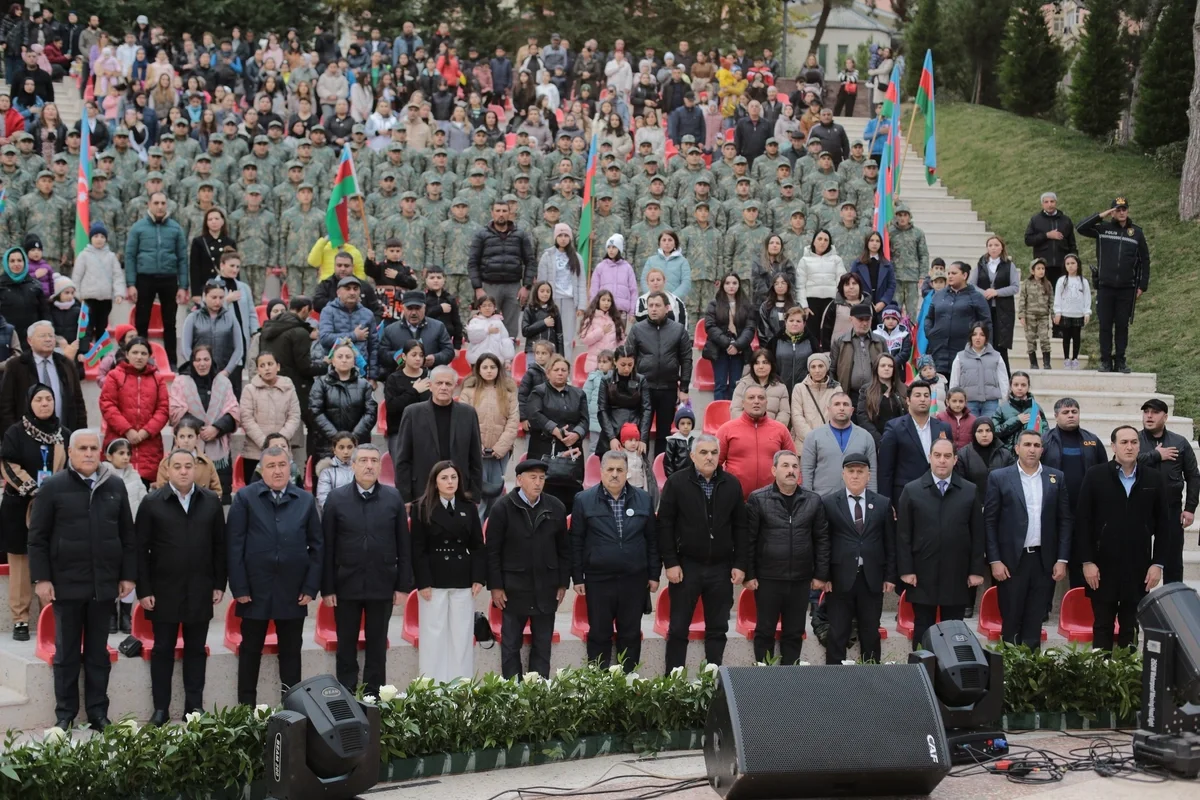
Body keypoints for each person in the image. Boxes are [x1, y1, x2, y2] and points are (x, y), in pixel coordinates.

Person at [28, 429, 135, 730]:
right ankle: (65, 714)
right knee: (67, 654)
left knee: (99, 654)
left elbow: (128, 536)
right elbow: (37, 539)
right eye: (82, 448)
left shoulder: (114, 485)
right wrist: (42, 579)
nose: (88, 453)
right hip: (66, 583)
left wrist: (127, 576)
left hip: (103, 586)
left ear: (100, 452)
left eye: (93, 448)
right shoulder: (52, 487)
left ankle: (98, 713)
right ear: (71, 453)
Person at [136, 448, 226, 724]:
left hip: (200, 589)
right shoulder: (152, 502)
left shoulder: (210, 501)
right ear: (168, 469)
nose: (184, 471)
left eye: (189, 466)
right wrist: (144, 590)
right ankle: (161, 708)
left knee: (196, 649)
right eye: (178, 466)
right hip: (163, 591)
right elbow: (140, 550)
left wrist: (219, 583)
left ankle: (193, 707)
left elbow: (219, 547)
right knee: (163, 649)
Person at [227, 446, 322, 706]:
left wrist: (311, 587)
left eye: (282, 465)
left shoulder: (304, 500)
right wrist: (240, 587)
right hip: (254, 590)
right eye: (271, 466)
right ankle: (245, 710)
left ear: (290, 467)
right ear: (261, 469)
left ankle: (292, 708)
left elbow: (317, 547)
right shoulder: (245, 498)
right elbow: (234, 545)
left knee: (291, 653)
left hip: (293, 591)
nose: (277, 471)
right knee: (250, 652)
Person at [320, 444, 409, 696]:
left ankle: (374, 696)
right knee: (346, 646)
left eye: (374, 461)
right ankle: (346, 697)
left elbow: (404, 544)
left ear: (380, 467)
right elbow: (327, 546)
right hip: (345, 585)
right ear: (353, 465)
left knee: (377, 646)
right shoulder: (336, 499)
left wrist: (403, 585)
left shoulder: (393, 498)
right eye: (364, 461)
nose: (369, 465)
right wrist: (327, 587)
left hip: (382, 585)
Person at [654, 433, 745, 670]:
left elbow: (741, 528)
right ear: (692, 455)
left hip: (721, 568)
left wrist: (740, 563)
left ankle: (712, 682)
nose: (709, 457)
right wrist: (670, 562)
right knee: (678, 628)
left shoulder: (732, 484)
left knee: (718, 629)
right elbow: (665, 525)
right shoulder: (676, 483)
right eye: (703, 452)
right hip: (686, 567)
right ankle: (674, 686)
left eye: (714, 453)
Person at [1076, 426, 1169, 651]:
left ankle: (1125, 679)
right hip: (1101, 566)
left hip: (1138, 566)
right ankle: (1101, 677)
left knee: (1131, 627)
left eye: (1134, 442)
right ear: (1113, 446)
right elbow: (1082, 522)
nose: (1130, 447)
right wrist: (1087, 562)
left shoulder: (1154, 478)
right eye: (1124, 442)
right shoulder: (1095, 475)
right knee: (1102, 625)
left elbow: (1166, 526)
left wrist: (1157, 564)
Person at [571, 449, 661, 670]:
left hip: (634, 579)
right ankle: (598, 687)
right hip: (598, 580)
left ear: (627, 472)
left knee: (630, 634)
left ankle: (628, 683)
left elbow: (652, 539)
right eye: (610, 469)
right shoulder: (583, 500)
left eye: (619, 470)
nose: (614, 474)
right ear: (600, 471)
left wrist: (654, 574)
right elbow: (576, 542)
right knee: (599, 634)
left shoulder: (643, 499)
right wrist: (577, 576)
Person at [983, 430, 1071, 649]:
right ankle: (1009, 676)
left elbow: (1065, 521)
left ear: (1042, 449)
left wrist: (1062, 559)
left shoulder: (1056, 477)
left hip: (1044, 561)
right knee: (1011, 621)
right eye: (1027, 444)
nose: (1032, 449)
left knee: (1035, 622)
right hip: (1012, 562)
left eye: (1037, 445)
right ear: (1017, 449)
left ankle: (1032, 675)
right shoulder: (1000, 477)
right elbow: (990, 522)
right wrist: (994, 560)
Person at [897, 438, 985, 648]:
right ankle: (921, 674)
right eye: (937, 456)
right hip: (921, 574)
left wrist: (976, 570)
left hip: (957, 574)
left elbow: (978, 533)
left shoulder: (969, 491)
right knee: (923, 630)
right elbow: (903, 535)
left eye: (947, 456)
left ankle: (950, 679)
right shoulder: (912, 490)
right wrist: (906, 570)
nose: (942, 461)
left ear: (955, 460)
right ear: (930, 458)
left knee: (954, 632)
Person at [486, 459, 569, 679]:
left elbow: (564, 550)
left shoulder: (556, 507)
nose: (538, 483)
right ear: (520, 479)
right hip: (514, 589)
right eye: (533, 477)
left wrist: (562, 583)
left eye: (542, 478)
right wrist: (495, 586)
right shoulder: (502, 508)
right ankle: (512, 695)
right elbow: (492, 551)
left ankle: (538, 694)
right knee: (511, 646)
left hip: (546, 588)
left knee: (543, 647)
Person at [742, 449, 826, 664]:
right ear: (774, 470)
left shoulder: (813, 500)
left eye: (795, 466)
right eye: (786, 466)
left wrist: (821, 575)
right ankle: (764, 680)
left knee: (794, 633)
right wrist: (749, 574)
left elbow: (822, 540)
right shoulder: (758, 499)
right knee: (765, 631)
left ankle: (790, 682)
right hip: (768, 579)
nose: (791, 471)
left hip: (800, 579)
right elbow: (748, 540)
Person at [0, 384, 67, 642]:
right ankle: (20, 619)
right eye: (39, 399)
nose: (44, 404)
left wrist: (52, 492)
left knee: (50, 560)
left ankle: (47, 615)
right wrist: (34, 489)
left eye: (49, 399)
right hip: (19, 506)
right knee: (20, 563)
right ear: (30, 403)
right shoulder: (15, 433)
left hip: (54, 507)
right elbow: (8, 463)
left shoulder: (63, 434)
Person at [411, 460, 485, 682]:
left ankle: (461, 688)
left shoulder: (468, 507)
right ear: (435, 482)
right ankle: (431, 688)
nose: (450, 482)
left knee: (461, 636)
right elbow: (417, 548)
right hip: (434, 581)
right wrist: (422, 582)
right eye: (444, 478)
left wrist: (478, 577)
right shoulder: (421, 508)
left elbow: (477, 546)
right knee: (433, 637)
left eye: (454, 477)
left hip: (463, 579)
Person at [821, 451, 893, 663]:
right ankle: (835, 683)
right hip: (839, 579)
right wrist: (824, 575)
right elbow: (824, 542)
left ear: (868, 475)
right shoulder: (829, 503)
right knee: (837, 633)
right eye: (850, 471)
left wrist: (890, 576)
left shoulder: (882, 503)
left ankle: (871, 683)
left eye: (860, 472)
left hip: (871, 579)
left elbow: (890, 542)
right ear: (843, 474)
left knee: (870, 633)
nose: (855, 476)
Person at [1076, 197, 1149, 373]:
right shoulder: (1103, 229)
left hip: (1127, 288)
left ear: (1128, 211)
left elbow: (1145, 260)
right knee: (1105, 325)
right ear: (1112, 212)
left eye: (1124, 209)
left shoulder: (1136, 232)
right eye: (1117, 209)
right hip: (1105, 286)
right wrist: (1102, 215)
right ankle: (1106, 361)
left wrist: (1142, 285)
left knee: (1122, 325)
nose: (1121, 212)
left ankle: (1121, 360)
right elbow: (1080, 227)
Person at [395, 366, 484, 504]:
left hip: (460, 492)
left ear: (455, 386)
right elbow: (403, 459)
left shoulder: (468, 414)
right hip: (421, 492)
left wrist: (475, 496)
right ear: (430, 386)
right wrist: (405, 497)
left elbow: (476, 459)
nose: (443, 387)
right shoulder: (412, 413)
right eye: (439, 383)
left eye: (448, 384)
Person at [1138, 398, 1200, 586]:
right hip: (1140, 509)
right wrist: (1155, 455)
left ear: (1165, 416)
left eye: (1155, 412)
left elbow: (1193, 476)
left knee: (1173, 560)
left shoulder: (1179, 442)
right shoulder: (1135, 439)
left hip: (1170, 509)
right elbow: (1121, 462)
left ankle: (1174, 602)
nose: (1149, 416)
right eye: (1146, 411)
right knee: (1138, 558)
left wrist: (1189, 508)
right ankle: (1138, 604)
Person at [125, 192, 189, 370]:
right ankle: (141, 359)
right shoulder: (138, 228)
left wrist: (183, 285)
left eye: (163, 203)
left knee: (170, 322)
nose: (160, 206)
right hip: (144, 278)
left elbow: (183, 258)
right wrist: (131, 283)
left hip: (169, 278)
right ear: (149, 204)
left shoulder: (175, 229)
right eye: (156, 203)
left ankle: (171, 361)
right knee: (142, 321)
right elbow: (130, 257)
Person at [168, 345, 240, 500]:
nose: (202, 364)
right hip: (188, 446)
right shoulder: (180, 381)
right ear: (192, 362)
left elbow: (233, 410)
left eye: (206, 359)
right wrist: (199, 429)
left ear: (211, 360)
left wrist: (216, 428)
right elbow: (175, 410)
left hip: (218, 448)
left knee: (218, 499)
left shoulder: (223, 382)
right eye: (198, 360)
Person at [627, 292, 692, 455]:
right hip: (643, 389)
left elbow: (686, 359)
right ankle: (641, 468)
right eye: (650, 306)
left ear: (667, 308)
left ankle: (659, 468)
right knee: (642, 432)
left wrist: (684, 388)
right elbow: (629, 358)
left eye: (658, 305)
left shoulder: (678, 330)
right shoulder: (637, 329)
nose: (654, 309)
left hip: (668, 389)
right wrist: (630, 385)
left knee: (664, 433)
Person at [98, 337, 168, 487]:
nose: (139, 356)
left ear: (149, 356)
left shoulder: (158, 379)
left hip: (149, 445)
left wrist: (145, 432)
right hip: (119, 440)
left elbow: (163, 409)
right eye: (135, 352)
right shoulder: (114, 376)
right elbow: (107, 404)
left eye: (143, 353)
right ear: (127, 354)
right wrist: (127, 430)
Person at [458, 354, 519, 521]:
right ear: (478, 369)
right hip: (476, 452)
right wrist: (477, 446)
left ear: (499, 369)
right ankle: (477, 532)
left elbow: (513, 422)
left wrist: (501, 447)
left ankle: (493, 530)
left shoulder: (508, 392)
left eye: (493, 367)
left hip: (500, 453)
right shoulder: (468, 392)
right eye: (485, 367)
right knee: (479, 495)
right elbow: (463, 422)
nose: (489, 371)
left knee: (496, 493)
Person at [0, 319, 86, 434]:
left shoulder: (66, 364)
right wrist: (11, 435)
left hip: (63, 433)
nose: (48, 339)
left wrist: (80, 433)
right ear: (30, 341)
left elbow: (78, 402)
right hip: (26, 437)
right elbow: (6, 405)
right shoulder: (16, 366)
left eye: (51, 336)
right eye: (42, 336)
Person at [526, 355, 589, 507]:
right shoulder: (538, 392)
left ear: (568, 373)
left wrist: (577, 434)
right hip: (544, 447)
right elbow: (534, 415)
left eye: (564, 370)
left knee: (570, 493)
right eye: (556, 370)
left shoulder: (579, 394)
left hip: (571, 448)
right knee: (544, 492)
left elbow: (585, 419)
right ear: (548, 373)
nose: (560, 373)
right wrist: (554, 430)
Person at [878, 380, 952, 507]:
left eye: (926, 395)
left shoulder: (943, 428)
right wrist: (886, 502)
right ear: (908, 400)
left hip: (938, 495)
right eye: (917, 396)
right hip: (904, 496)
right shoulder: (894, 427)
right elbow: (885, 470)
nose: (922, 399)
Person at [468, 201, 536, 340]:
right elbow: (473, 262)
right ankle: (490, 360)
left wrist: (526, 286)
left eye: (504, 211)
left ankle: (508, 359)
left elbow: (530, 261)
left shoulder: (520, 235)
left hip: (513, 287)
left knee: (510, 328)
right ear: (492, 213)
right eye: (498, 210)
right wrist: (478, 288)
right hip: (489, 286)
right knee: (488, 325)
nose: (501, 214)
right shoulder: (481, 235)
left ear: (509, 213)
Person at [239, 351, 301, 484]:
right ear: (257, 370)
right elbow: (246, 418)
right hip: (254, 452)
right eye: (262, 365)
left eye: (270, 364)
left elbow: (294, 416)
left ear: (278, 366)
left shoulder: (288, 388)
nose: (267, 368)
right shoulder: (250, 390)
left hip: (282, 450)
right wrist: (266, 443)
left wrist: (279, 442)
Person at [310, 342, 378, 461]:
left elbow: (371, 413)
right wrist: (337, 438)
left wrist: (352, 438)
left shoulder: (365, 385)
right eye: (340, 357)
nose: (344, 360)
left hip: (358, 444)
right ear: (333, 361)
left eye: (348, 357)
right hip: (328, 445)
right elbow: (315, 412)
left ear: (354, 361)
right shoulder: (320, 383)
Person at [924, 261, 992, 378]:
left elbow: (986, 324)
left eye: (954, 273)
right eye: (949, 273)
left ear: (964, 275)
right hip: (938, 352)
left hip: (964, 352)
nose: (949, 276)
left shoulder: (976, 297)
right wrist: (930, 333)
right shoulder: (939, 296)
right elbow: (929, 318)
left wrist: (985, 348)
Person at [802, 391, 877, 495]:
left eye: (845, 404)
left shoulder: (866, 437)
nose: (841, 408)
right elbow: (807, 471)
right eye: (837, 404)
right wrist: (808, 501)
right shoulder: (813, 437)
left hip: (856, 501)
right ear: (828, 409)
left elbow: (871, 472)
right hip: (822, 499)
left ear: (852, 410)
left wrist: (872, 500)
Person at [182, 280, 245, 398]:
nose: (218, 301)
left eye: (221, 297)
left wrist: (227, 371)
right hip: (199, 374)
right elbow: (185, 348)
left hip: (226, 375)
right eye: (213, 297)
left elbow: (239, 349)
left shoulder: (231, 318)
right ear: (205, 296)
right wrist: (198, 366)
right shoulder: (193, 317)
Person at [1023, 192, 1076, 332]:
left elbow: (1072, 244)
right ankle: (1041, 328)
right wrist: (1047, 235)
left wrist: (1072, 262)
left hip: (1060, 265)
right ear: (1042, 204)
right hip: (1043, 267)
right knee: (1041, 297)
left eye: (1052, 201)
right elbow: (1028, 240)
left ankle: (1058, 329)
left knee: (1059, 297)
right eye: (1046, 202)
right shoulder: (1035, 220)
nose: (1049, 204)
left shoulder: (1065, 220)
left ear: (1056, 202)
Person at [378, 290, 455, 381]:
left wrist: (435, 358)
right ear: (403, 308)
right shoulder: (390, 330)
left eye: (418, 308)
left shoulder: (438, 327)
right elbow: (382, 355)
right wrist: (402, 358)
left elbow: (449, 351)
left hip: (429, 381)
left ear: (424, 308)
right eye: (410, 308)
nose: (414, 312)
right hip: (400, 382)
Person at [535, 223, 588, 355]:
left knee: (567, 338)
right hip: (552, 301)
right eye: (560, 235)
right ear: (555, 237)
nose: (563, 238)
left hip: (570, 301)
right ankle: (550, 370)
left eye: (566, 235)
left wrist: (581, 305)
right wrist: (542, 302)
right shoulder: (547, 256)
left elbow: (581, 282)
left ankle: (566, 369)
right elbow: (541, 282)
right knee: (550, 336)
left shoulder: (577, 257)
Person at [968, 236, 1018, 373]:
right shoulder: (981, 264)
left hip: (1004, 311)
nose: (993, 248)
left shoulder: (1009, 265)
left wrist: (996, 292)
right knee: (985, 341)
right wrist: (984, 293)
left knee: (1001, 345)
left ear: (1001, 247)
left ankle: (1004, 376)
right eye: (990, 245)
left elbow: (1015, 287)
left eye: (996, 245)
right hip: (984, 309)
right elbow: (972, 284)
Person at [702, 273, 755, 401]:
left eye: (734, 283)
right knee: (720, 385)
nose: (731, 286)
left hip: (739, 351)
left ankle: (733, 416)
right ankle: (719, 416)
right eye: (727, 283)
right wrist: (727, 343)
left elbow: (750, 328)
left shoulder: (746, 305)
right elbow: (710, 326)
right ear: (723, 285)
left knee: (735, 386)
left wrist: (737, 345)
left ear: (739, 285)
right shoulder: (714, 304)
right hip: (720, 350)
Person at [317, 276, 379, 382]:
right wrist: (354, 336)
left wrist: (373, 376)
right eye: (348, 288)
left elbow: (374, 347)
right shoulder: (328, 311)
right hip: (333, 372)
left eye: (355, 289)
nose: (352, 292)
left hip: (360, 373)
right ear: (338, 292)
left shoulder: (367, 314)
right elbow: (324, 338)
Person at [949, 323, 1008, 418]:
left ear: (986, 337)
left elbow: (1003, 380)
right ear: (970, 337)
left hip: (991, 403)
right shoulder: (960, 357)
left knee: (989, 429)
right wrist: (954, 400)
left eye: (982, 335)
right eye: (974, 334)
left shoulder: (996, 356)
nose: (978, 337)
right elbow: (954, 381)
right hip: (968, 402)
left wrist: (1004, 401)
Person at [829, 304, 884, 400]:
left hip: (875, 394)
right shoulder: (840, 342)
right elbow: (832, 369)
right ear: (851, 319)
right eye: (860, 319)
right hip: (848, 395)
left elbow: (889, 366)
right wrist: (837, 391)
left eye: (867, 319)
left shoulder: (880, 341)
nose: (865, 323)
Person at [855, 352, 907, 446]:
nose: (887, 368)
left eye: (890, 366)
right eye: (883, 365)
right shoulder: (866, 390)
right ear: (876, 368)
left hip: (902, 440)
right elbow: (862, 417)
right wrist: (879, 440)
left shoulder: (904, 389)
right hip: (876, 441)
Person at [731, 349, 790, 427]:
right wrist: (749, 428)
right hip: (746, 430)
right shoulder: (743, 385)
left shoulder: (781, 387)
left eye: (765, 363)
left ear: (771, 365)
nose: (761, 367)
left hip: (772, 433)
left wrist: (773, 429)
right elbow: (735, 410)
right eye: (757, 363)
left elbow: (784, 413)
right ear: (752, 366)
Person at [992, 372, 1047, 452]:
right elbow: (994, 431)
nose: (1019, 388)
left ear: (1028, 387)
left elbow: (1045, 433)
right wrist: (1017, 420)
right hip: (1008, 454)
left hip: (1030, 453)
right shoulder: (1002, 408)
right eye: (1016, 385)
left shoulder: (1036, 408)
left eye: (1023, 385)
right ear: (1011, 387)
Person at [1053, 254, 1091, 369]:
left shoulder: (1083, 281)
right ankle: (1066, 359)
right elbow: (1057, 297)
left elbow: (1087, 297)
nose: (1070, 266)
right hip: (1065, 313)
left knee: (1076, 336)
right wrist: (1057, 311)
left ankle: (1075, 358)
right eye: (1068, 264)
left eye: (1073, 263)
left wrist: (1087, 312)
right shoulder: (1061, 281)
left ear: (1078, 265)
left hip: (1078, 314)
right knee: (1066, 337)